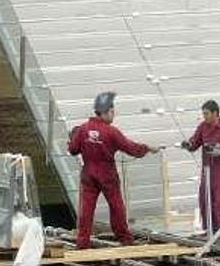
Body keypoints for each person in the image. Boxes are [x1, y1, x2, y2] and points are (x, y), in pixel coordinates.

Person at [68, 92, 158, 249]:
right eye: (112, 112)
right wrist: (147, 148)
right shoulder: (111, 132)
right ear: (105, 112)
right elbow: (131, 148)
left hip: (88, 173)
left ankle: (82, 242)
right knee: (116, 207)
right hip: (107, 173)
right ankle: (125, 238)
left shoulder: (82, 129)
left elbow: (73, 149)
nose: (114, 115)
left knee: (87, 209)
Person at [181, 100, 220, 242]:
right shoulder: (203, 127)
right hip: (208, 171)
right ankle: (209, 230)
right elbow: (195, 142)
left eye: (206, 114)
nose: (204, 117)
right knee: (205, 199)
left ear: (215, 113)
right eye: (203, 114)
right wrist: (188, 145)